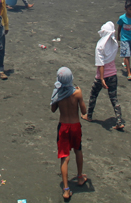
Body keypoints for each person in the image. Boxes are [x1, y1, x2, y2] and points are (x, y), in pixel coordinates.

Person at [50, 67, 88, 200]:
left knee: (64, 157)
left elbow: (53, 109)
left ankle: (66, 189)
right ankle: (79, 177)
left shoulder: (58, 93)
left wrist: (56, 96)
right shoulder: (77, 93)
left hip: (63, 126)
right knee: (78, 150)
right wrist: (81, 94)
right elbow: (84, 111)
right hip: (75, 126)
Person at [83, 21, 124, 130]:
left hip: (103, 76)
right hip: (113, 75)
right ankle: (119, 121)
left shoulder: (100, 46)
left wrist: (101, 79)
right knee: (114, 98)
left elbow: (101, 64)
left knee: (93, 95)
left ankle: (89, 115)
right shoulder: (114, 43)